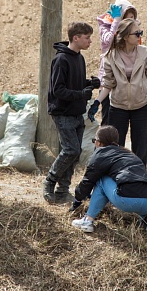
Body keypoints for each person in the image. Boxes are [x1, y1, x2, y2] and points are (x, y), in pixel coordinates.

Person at [88, 18, 147, 163]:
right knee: (115, 148)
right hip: (118, 106)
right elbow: (108, 83)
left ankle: (138, 175)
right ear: (126, 36)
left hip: (141, 106)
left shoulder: (146, 53)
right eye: (137, 33)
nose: (140, 36)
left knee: (140, 148)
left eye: (141, 33)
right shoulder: (111, 56)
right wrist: (97, 102)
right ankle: (116, 174)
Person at [42, 22, 99, 204]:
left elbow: (74, 83)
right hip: (63, 112)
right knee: (71, 149)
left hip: (77, 112)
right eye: (87, 37)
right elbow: (58, 90)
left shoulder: (79, 58)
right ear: (76, 38)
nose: (90, 41)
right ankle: (49, 182)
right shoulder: (61, 59)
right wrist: (81, 94)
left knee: (75, 152)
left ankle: (62, 191)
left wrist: (89, 84)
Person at [71, 125, 147, 233]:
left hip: (127, 200)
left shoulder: (100, 154)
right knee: (135, 187)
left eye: (94, 140)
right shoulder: (130, 154)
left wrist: (78, 198)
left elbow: (88, 181)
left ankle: (87, 221)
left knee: (101, 179)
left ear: (99, 142)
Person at [96, 0, 138, 125]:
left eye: (133, 18)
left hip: (125, 81)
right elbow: (109, 41)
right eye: (128, 18)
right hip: (109, 78)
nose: (130, 22)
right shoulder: (105, 26)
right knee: (108, 120)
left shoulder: (133, 32)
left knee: (121, 122)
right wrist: (116, 21)